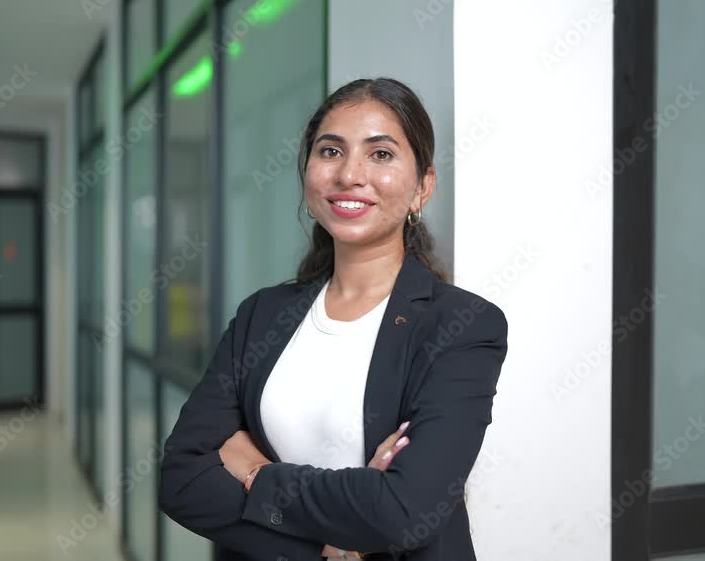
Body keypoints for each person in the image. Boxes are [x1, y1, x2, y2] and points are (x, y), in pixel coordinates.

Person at [159, 77, 509, 560]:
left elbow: (407, 511)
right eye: (330, 151)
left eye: (380, 154)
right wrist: (333, 543)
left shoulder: (463, 325)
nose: (349, 174)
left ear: (422, 187)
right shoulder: (262, 314)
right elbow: (182, 480)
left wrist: (256, 472)